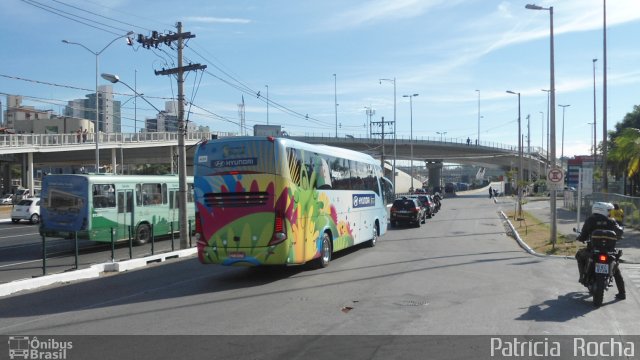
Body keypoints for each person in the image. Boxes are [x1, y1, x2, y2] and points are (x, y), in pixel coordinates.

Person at [575, 202, 625, 300]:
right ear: (602, 210)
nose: (610, 213)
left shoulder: (590, 220)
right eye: (609, 211)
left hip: (593, 251)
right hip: (609, 252)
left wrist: (580, 238)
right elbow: (619, 232)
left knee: (579, 255)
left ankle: (582, 276)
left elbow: (583, 235)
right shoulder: (611, 221)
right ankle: (622, 293)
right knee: (616, 270)